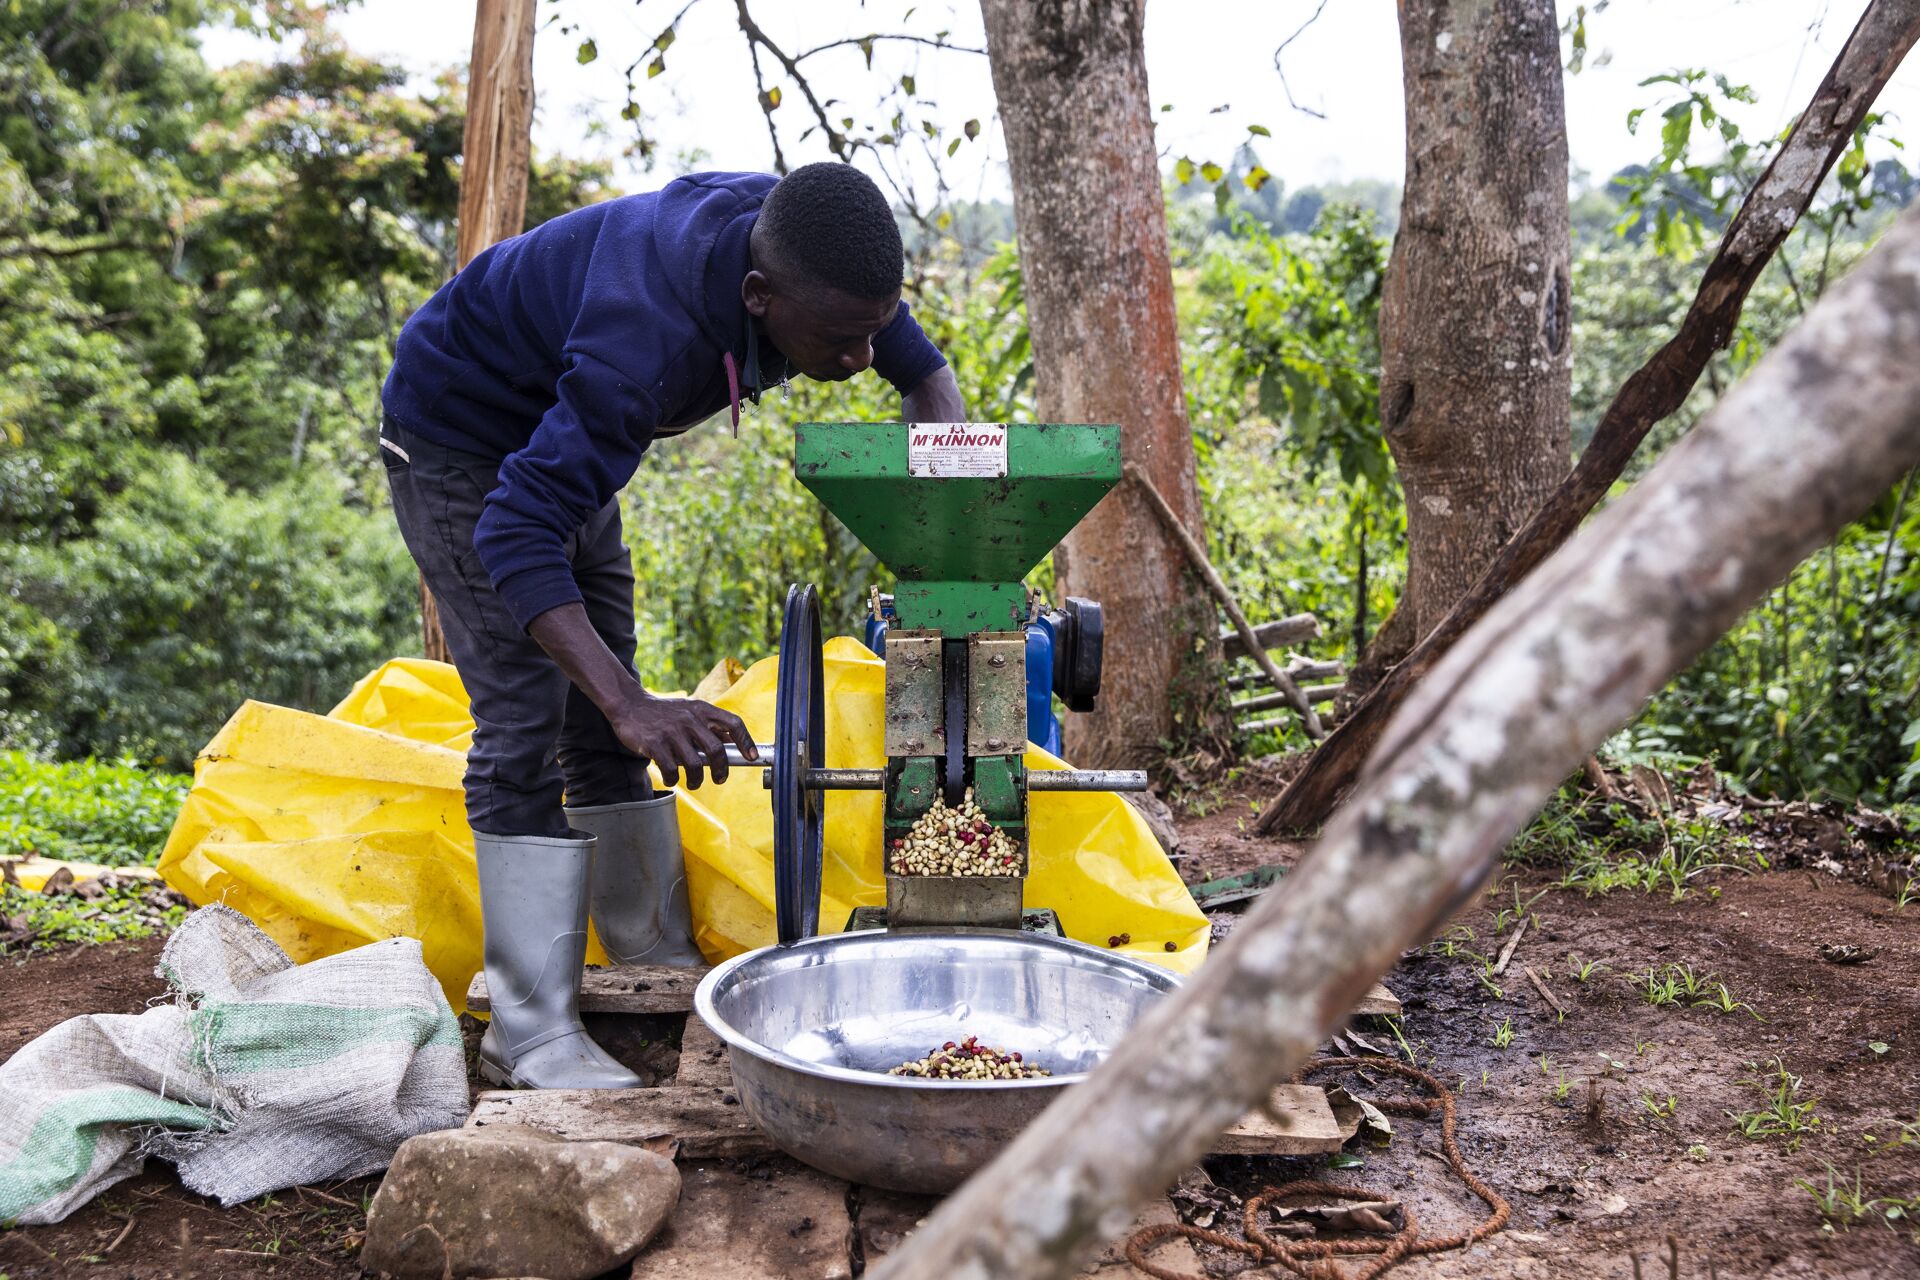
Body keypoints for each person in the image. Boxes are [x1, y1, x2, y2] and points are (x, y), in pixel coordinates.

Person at [378, 163, 966, 1089]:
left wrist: (946, 543)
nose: (862, 360)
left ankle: (649, 956)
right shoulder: (643, 340)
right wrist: (631, 704)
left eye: (873, 330)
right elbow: (514, 529)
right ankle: (527, 1032)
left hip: (560, 441)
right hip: (460, 438)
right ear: (758, 296)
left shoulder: (817, 249)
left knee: (603, 717)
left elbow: (923, 374)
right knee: (528, 721)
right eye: (841, 340)